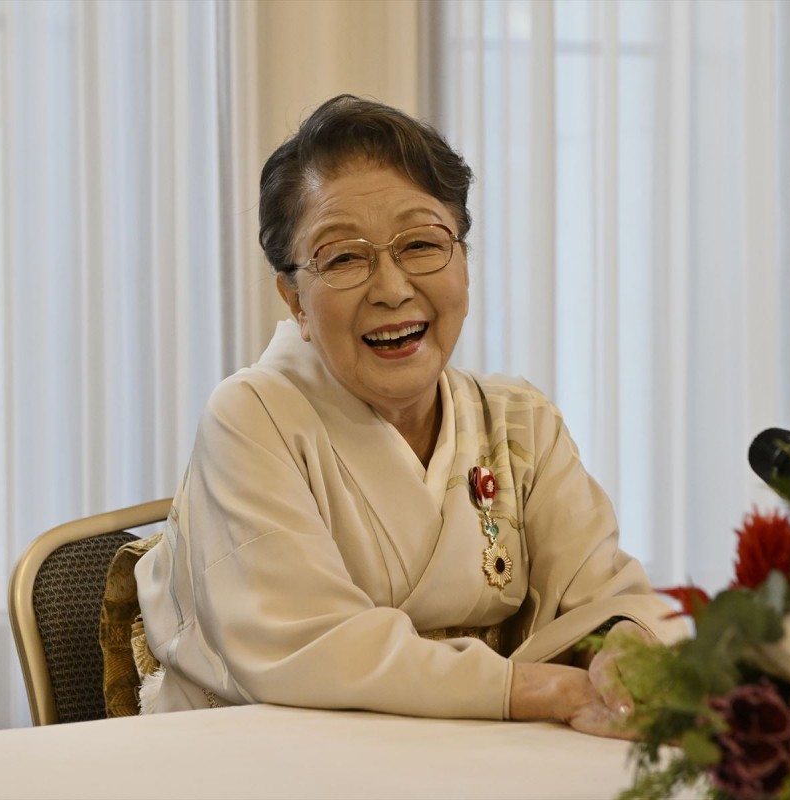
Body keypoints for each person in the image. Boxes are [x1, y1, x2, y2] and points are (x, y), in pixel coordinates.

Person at [134, 94, 685, 736]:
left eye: (422, 244)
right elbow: (309, 651)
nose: (392, 288)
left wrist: (626, 650)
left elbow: (608, 597)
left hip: (472, 758)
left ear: (465, 263)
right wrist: (533, 688)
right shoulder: (251, 417)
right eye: (343, 258)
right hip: (272, 760)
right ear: (295, 301)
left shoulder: (518, 419)